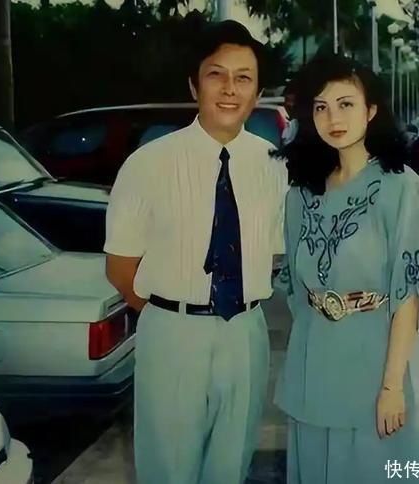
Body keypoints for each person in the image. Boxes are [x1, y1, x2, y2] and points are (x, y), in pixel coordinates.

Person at [103, 20, 289, 484]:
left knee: (231, 466)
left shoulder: (274, 167)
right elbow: (120, 267)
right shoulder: (148, 163)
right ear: (194, 84)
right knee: (168, 470)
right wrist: (175, 316)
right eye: (216, 75)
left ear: (257, 92)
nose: (230, 89)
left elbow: (271, 256)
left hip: (245, 335)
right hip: (172, 334)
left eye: (243, 78)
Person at [273, 54, 419, 484]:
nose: (333, 118)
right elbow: (296, 292)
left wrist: (392, 386)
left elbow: (408, 295)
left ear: (371, 110)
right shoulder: (301, 194)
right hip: (313, 365)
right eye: (321, 107)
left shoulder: (401, 188)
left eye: (345, 104)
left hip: (376, 363)